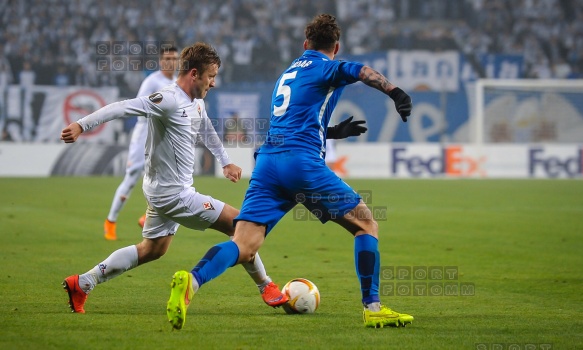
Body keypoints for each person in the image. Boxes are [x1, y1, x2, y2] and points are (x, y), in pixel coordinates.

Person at [166, 14, 413, 330]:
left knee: (244, 245)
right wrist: (395, 92)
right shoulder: (329, 66)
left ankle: (193, 281)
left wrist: (333, 131)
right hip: (302, 164)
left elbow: (295, 120)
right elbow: (362, 71)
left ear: (305, 44)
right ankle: (374, 307)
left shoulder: (289, 72)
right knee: (366, 224)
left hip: (268, 164)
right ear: (335, 47)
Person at [60, 42, 288, 314]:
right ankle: (266, 286)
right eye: (211, 76)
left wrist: (226, 162)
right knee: (243, 226)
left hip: (163, 192)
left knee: (153, 249)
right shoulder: (167, 99)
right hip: (175, 195)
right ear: (194, 74)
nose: (214, 83)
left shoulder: (197, 103)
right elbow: (122, 107)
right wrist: (80, 125)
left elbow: (207, 130)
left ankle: (83, 282)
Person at [104, 47, 179, 241]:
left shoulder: (175, 83)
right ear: (161, 61)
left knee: (167, 177)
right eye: (168, 58)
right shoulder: (152, 81)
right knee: (131, 178)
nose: (172, 62)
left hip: (163, 134)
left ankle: (148, 216)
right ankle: (110, 222)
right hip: (145, 132)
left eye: (175, 58)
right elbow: (138, 106)